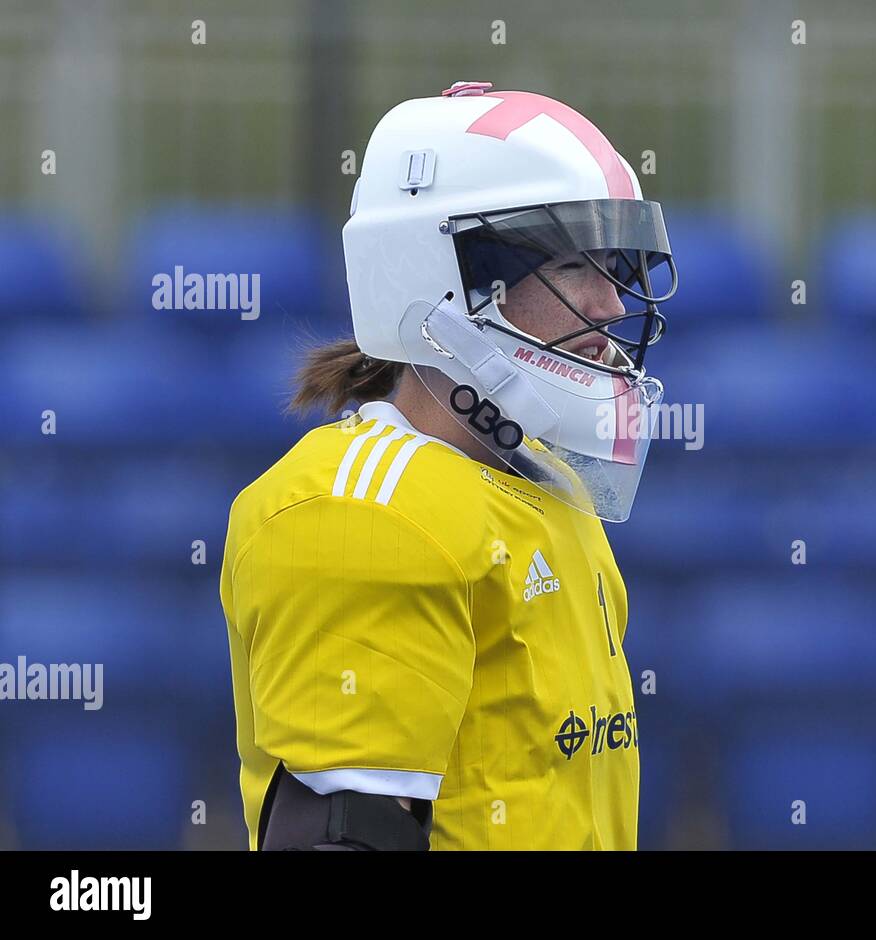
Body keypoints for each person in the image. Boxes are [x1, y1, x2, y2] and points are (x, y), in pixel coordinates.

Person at [219, 81, 677, 850]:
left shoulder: (546, 486)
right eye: (571, 265)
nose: (608, 304)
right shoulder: (364, 515)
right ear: (434, 274)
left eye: (614, 264)